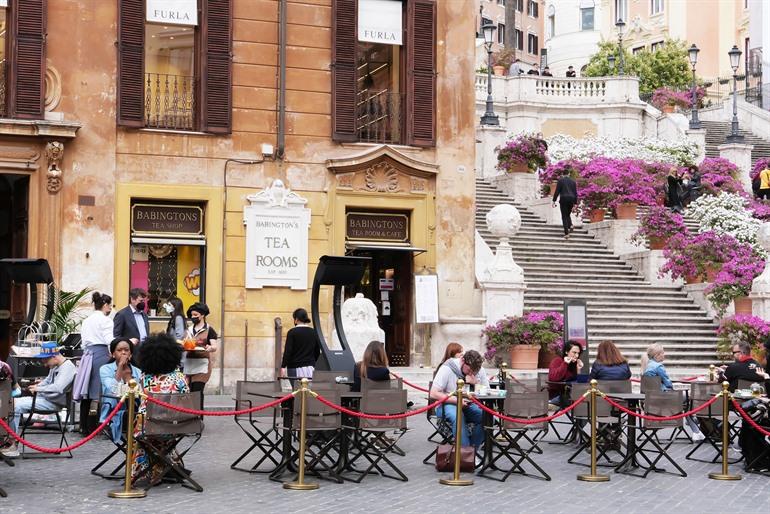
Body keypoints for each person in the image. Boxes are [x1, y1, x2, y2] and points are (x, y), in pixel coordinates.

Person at [131, 333, 189, 487]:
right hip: (175, 427)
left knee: (142, 437)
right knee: (164, 441)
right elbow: (187, 402)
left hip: (146, 427)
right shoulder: (179, 378)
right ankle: (166, 467)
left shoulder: (144, 377)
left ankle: (144, 470)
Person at [2, 343, 77, 458]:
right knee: (10, 403)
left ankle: (12, 442)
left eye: (46, 360)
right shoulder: (56, 365)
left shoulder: (67, 367)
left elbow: (58, 388)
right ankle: (7, 438)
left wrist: (38, 388)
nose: (45, 364)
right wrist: (38, 385)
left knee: (14, 406)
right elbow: (47, 381)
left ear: (54, 356)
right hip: (45, 399)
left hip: (52, 403)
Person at [641, 343, 704, 440]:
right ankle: (694, 422)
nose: (664, 354)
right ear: (657, 355)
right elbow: (668, 383)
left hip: (653, 400)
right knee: (691, 397)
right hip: (666, 398)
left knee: (687, 403)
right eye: (662, 353)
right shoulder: (658, 367)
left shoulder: (648, 365)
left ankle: (695, 428)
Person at [73, 291, 114, 433]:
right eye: (110, 305)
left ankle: (84, 425)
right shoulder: (106, 320)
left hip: (87, 355)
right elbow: (109, 339)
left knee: (86, 390)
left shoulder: (87, 320)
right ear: (105, 305)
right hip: (100, 354)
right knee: (98, 391)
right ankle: (93, 426)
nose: (110, 309)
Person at [430, 350, 488, 450]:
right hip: (446, 404)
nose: (471, 373)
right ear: (462, 360)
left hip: (468, 404)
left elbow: (486, 391)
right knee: (458, 416)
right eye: (469, 370)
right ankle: (464, 455)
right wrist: (456, 401)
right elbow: (433, 393)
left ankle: (471, 453)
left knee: (487, 417)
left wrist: (475, 384)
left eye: (474, 372)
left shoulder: (478, 369)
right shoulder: (447, 368)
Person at [99, 338, 142, 442]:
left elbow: (141, 390)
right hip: (115, 409)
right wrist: (120, 366)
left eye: (126, 350)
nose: (123, 352)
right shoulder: (105, 369)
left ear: (130, 353)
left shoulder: (137, 371)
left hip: (136, 409)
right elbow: (113, 388)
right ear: (113, 354)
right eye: (119, 350)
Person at [182, 302, 218, 409]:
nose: (193, 317)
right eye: (192, 315)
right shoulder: (188, 330)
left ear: (202, 315)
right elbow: (184, 343)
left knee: (197, 392)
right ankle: (191, 417)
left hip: (202, 365)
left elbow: (214, 346)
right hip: (189, 364)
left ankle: (199, 418)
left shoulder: (209, 329)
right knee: (190, 392)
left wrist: (209, 348)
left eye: (196, 315)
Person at [280, 308, 321, 380]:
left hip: (294, 367)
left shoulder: (292, 332)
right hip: (310, 368)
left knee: (296, 389)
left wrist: (283, 366)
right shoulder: (314, 332)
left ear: (296, 319)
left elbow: (288, 351)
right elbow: (317, 351)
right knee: (308, 390)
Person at [552, 166, 578, 239]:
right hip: (571, 199)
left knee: (564, 216)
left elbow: (557, 191)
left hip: (563, 199)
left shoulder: (560, 181)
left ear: (563, 174)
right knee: (567, 214)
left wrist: (554, 201)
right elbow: (575, 193)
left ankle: (567, 233)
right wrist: (575, 203)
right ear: (569, 174)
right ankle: (571, 225)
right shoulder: (573, 181)